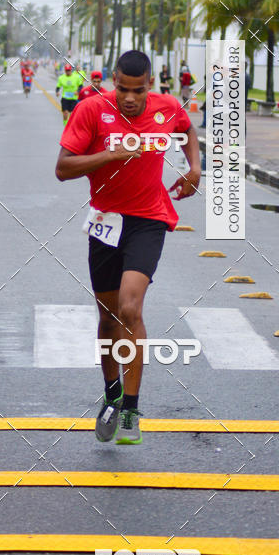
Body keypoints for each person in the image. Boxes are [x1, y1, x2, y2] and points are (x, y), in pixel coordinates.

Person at [55, 50, 200, 445]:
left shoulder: (166, 107)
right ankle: (112, 393)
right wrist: (110, 154)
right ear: (113, 82)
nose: (130, 98)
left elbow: (187, 129)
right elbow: (63, 168)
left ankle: (132, 408)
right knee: (107, 319)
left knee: (130, 308)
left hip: (149, 220)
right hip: (106, 221)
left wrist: (194, 168)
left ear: (149, 84)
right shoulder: (90, 110)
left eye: (138, 90)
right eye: (123, 89)